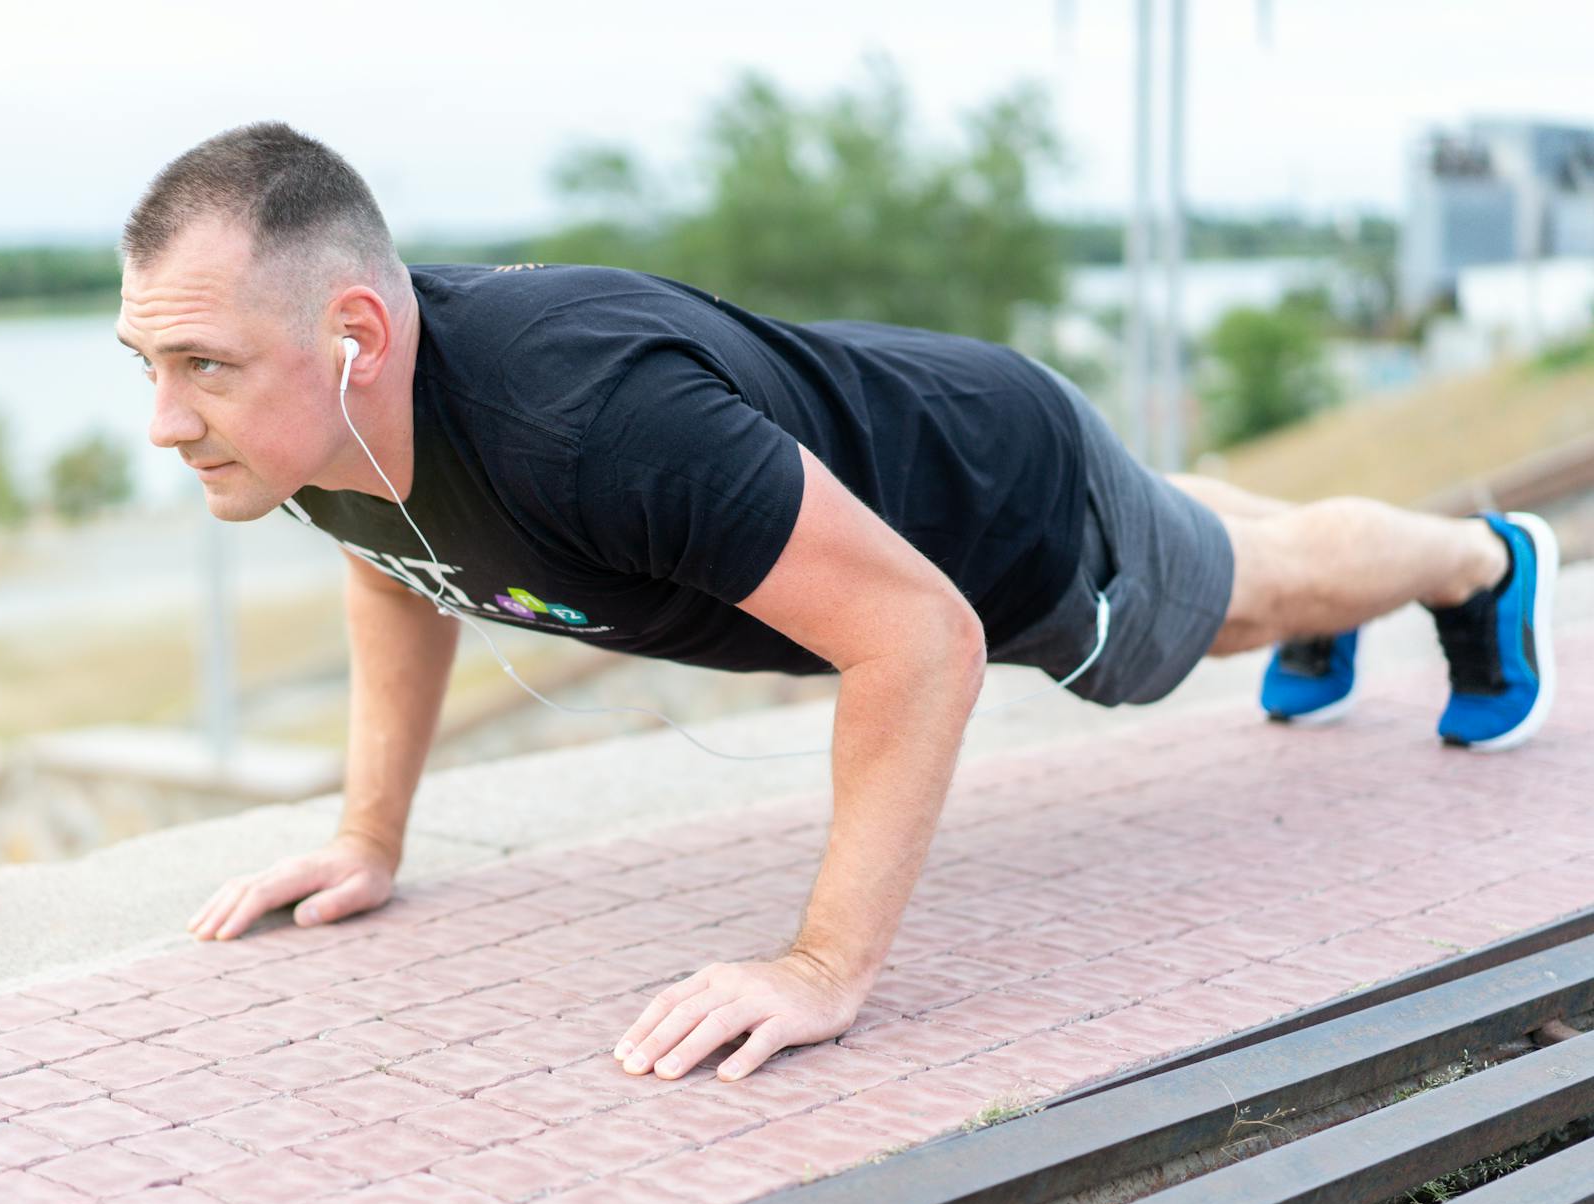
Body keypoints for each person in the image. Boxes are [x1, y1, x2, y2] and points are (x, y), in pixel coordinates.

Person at [118, 122, 1558, 1086]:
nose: (168, 423)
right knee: (1207, 539)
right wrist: (369, 834)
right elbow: (398, 560)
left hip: (1001, 517)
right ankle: (1212, 527)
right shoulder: (317, 427)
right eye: (147, 365)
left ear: (354, 334)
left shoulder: (591, 422)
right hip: (932, 444)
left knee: (1235, 605)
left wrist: (821, 966)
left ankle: (1481, 564)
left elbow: (923, 637)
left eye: (203, 368)